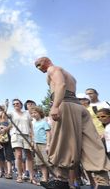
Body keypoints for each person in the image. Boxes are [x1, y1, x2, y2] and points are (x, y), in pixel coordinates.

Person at [35, 57, 110, 189]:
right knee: (91, 143)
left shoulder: (53, 69)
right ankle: (103, 182)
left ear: (46, 61)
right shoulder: (70, 75)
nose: (38, 68)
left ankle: (61, 181)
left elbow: (61, 85)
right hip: (79, 107)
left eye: (39, 64)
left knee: (63, 142)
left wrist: (55, 106)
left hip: (66, 104)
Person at [29, 106, 51, 184]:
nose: (33, 114)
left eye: (35, 112)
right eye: (32, 113)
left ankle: (55, 177)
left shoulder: (44, 122)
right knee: (41, 163)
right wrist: (33, 143)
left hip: (44, 144)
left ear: (40, 113)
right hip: (37, 144)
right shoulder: (34, 124)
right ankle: (45, 179)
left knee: (48, 161)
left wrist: (48, 144)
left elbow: (48, 133)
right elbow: (33, 135)